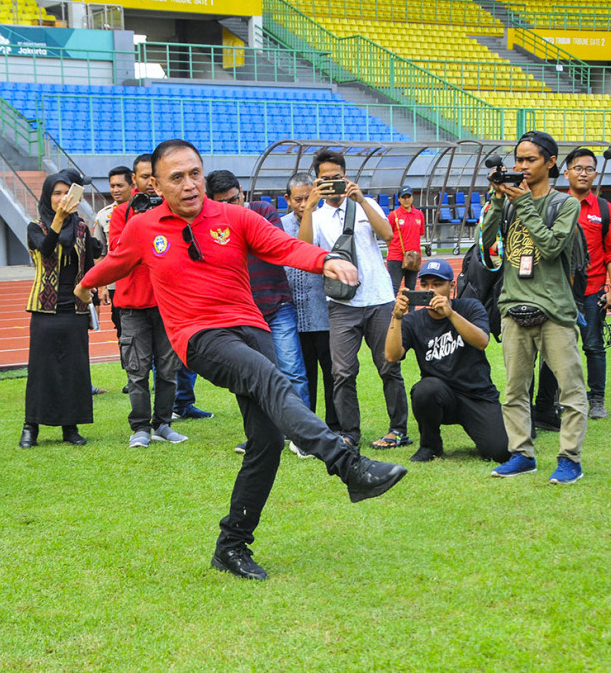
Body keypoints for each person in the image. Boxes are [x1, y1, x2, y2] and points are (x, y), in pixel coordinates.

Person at [76, 139, 407, 581]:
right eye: (177, 177)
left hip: (251, 327)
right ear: (156, 184)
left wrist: (326, 259)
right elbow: (115, 263)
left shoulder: (233, 216)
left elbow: (283, 246)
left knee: (266, 441)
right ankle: (347, 465)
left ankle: (231, 545)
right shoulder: (143, 227)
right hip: (198, 335)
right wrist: (84, 286)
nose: (190, 184)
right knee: (272, 381)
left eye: (195, 173)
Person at [479, 131, 587, 484]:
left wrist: (523, 203)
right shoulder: (509, 201)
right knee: (514, 390)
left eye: (530, 160)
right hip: (513, 305)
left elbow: (553, 246)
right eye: (518, 160)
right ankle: (522, 453)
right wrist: (498, 200)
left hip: (555, 310)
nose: (521, 167)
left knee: (570, 391)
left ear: (551, 162)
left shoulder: (565, 204)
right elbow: (484, 241)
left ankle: (570, 459)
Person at [297, 149, 410, 450]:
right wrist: (309, 207)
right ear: (317, 182)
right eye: (325, 180)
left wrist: (360, 200)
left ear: (346, 177)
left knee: (388, 366)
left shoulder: (366, 204)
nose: (332, 184)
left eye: (337, 178)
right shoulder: (317, 216)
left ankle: (398, 429)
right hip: (342, 305)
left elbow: (388, 234)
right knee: (342, 372)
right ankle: (350, 433)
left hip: (378, 299)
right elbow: (305, 249)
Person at [384, 259, 510, 464]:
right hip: (440, 395)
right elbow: (391, 356)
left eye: (437, 284)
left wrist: (450, 314)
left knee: (501, 451)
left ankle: (502, 422)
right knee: (425, 389)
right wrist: (396, 317)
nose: (431, 290)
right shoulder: (413, 320)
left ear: (451, 286)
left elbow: (482, 342)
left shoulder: (469, 307)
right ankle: (430, 445)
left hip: (476, 395)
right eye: (425, 285)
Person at [205, 169, 310, 409]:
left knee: (292, 371)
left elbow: (275, 244)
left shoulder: (261, 210)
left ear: (242, 193)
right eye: (222, 203)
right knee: (253, 375)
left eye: (233, 199)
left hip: (278, 305)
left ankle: (303, 434)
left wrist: (238, 224)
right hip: (243, 313)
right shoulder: (210, 227)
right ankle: (266, 434)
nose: (231, 206)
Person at [534, 148, 611, 422]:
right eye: (578, 168)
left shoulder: (606, 210)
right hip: (558, 292)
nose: (583, 173)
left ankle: (596, 399)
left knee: (594, 346)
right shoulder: (554, 205)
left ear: (595, 174)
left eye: (588, 169)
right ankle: (551, 402)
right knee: (553, 348)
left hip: (593, 291)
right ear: (566, 172)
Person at [18, 170, 101, 448]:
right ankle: (31, 427)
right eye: (56, 193)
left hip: (75, 308)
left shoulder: (81, 228)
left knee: (75, 369)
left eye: (67, 193)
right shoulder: (35, 226)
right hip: (45, 308)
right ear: (46, 196)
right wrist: (59, 219)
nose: (62, 198)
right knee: (42, 369)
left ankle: (71, 426)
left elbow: (89, 265)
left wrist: (94, 298)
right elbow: (46, 249)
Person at [110, 155, 186, 448]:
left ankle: (163, 424)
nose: (149, 186)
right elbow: (121, 252)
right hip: (132, 305)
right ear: (135, 182)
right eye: (143, 178)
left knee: (168, 369)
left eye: (153, 179)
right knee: (137, 370)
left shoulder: (173, 213)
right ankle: (140, 426)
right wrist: (137, 216)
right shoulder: (121, 214)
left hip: (168, 304)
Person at [281, 172, 340, 434]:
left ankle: (334, 425)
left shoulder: (325, 221)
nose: (304, 204)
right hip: (292, 315)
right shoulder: (278, 225)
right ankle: (307, 425)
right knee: (300, 376)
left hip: (325, 313)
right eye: (298, 199)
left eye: (309, 198)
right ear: (287, 199)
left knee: (332, 374)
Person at [93, 164, 134, 340]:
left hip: (143, 279)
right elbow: (100, 253)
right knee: (122, 328)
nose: (115, 190)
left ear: (132, 185)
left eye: (120, 185)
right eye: (112, 186)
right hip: (116, 284)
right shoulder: (103, 216)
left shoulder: (146, 210)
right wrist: (103, 286)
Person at [386, 185, 424, 292]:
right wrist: (394, 248)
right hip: (396, 257)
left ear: (412, 197)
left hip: (414, 257)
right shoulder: (393, 215)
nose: (406, 200)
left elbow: (419, 234)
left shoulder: (419, 214)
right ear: (399, 199)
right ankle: (391, 309)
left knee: (411, 289)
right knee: (394, 288)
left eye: (408, 196)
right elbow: (387, 236)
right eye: (403, 197)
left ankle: (412, 309)